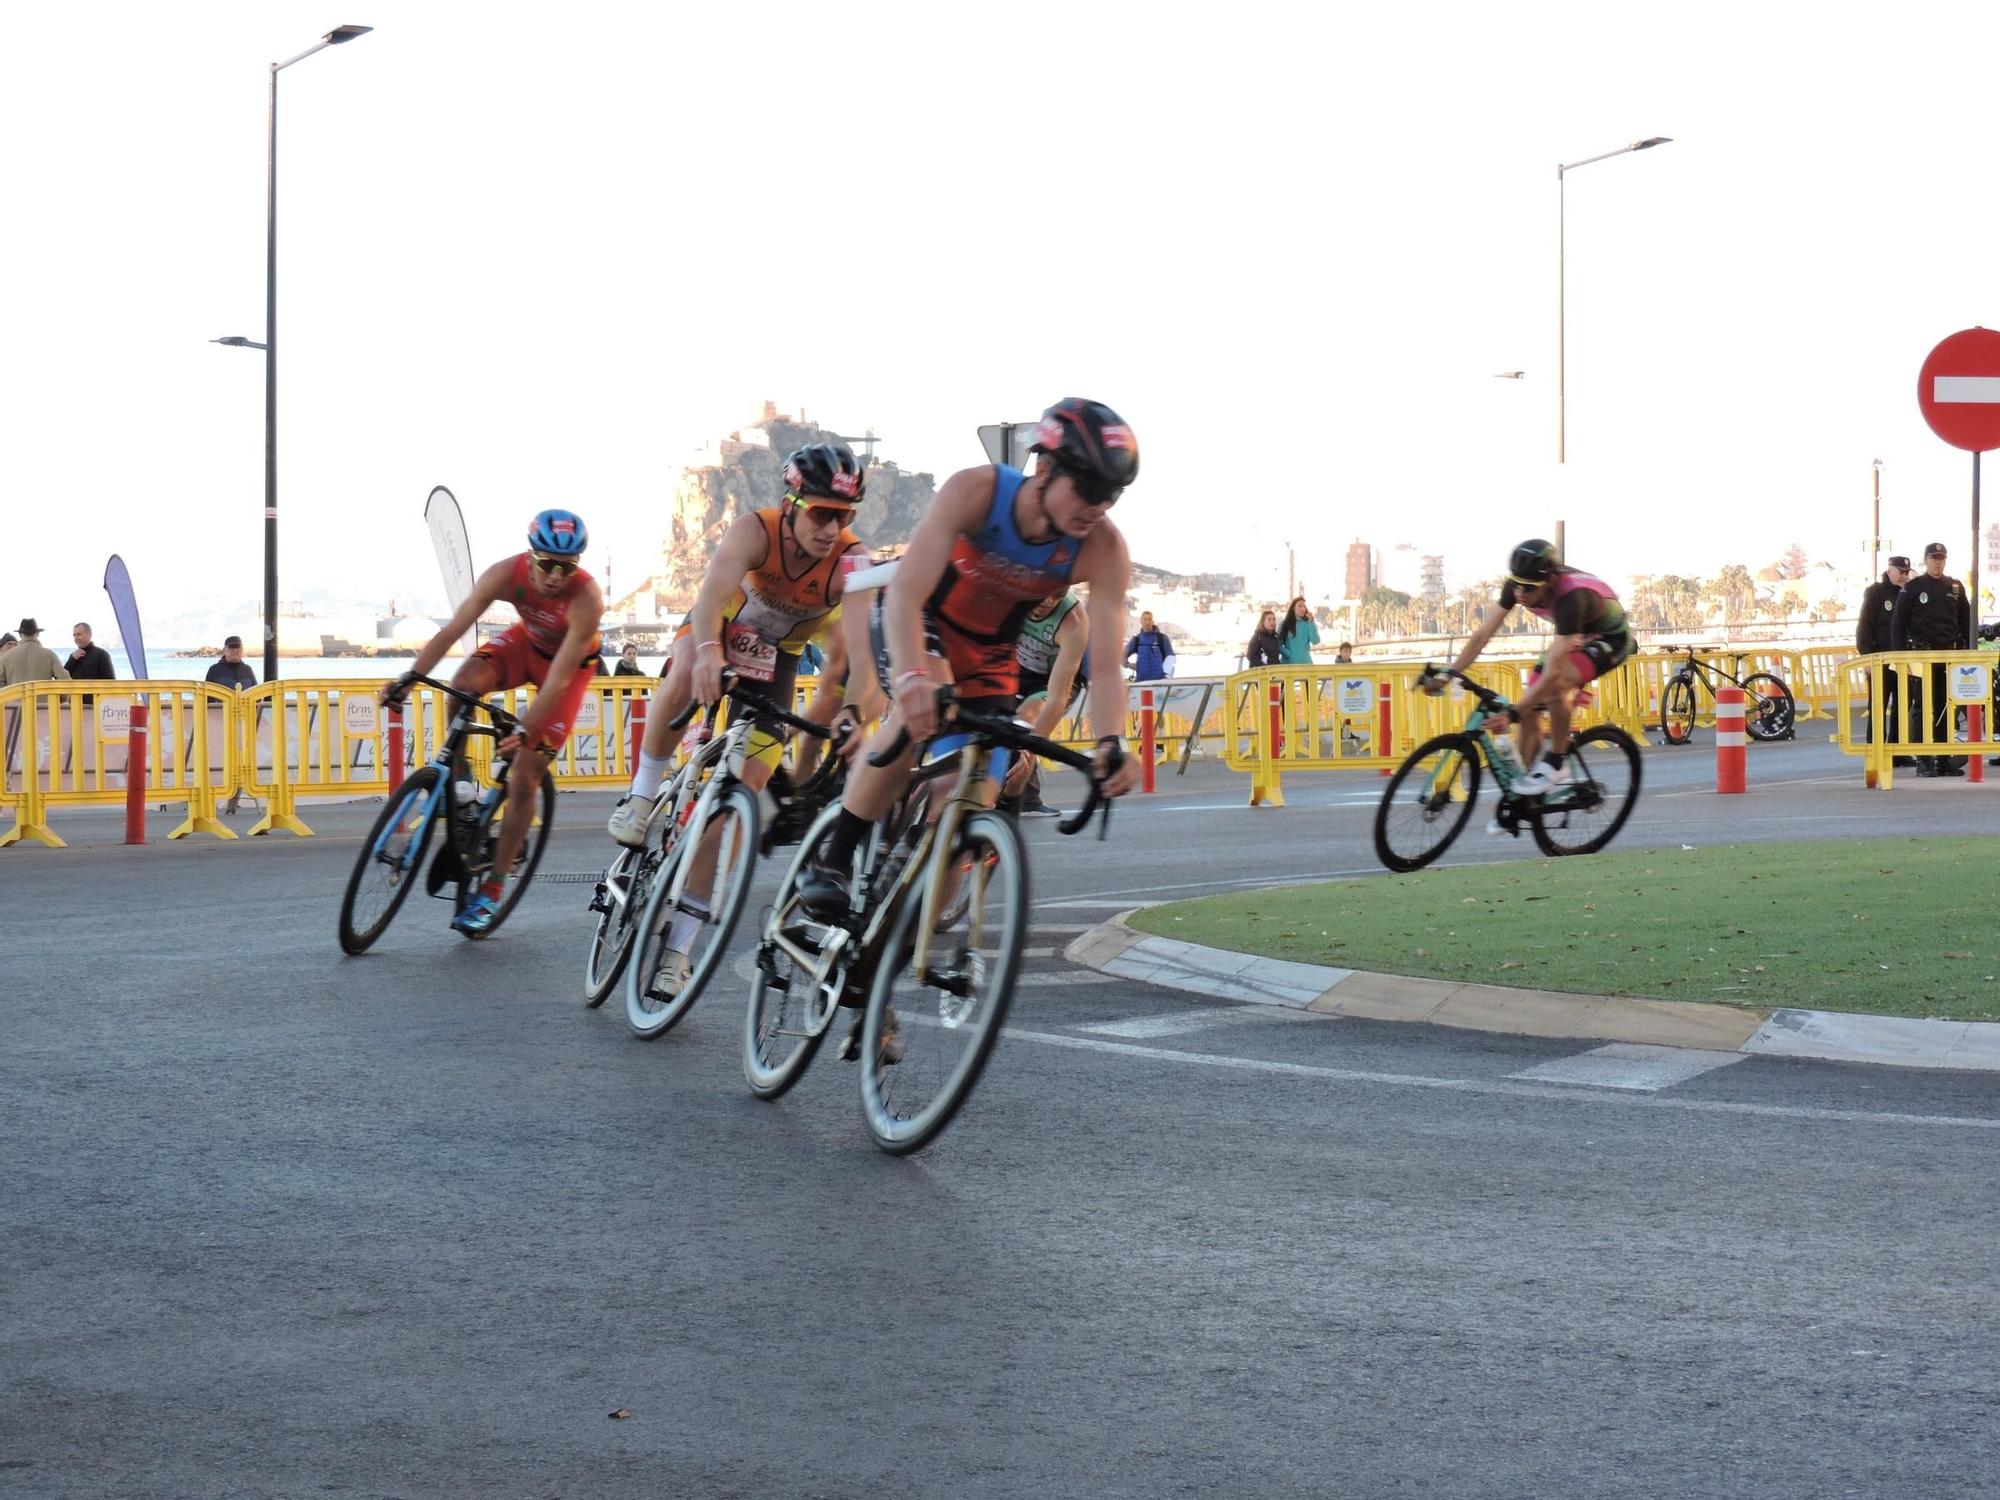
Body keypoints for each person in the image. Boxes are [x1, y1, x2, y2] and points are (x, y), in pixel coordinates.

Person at [798, 397, 1143, 931]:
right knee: (917, 719)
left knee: (977, 789)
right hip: (921, 616)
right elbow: (908, 594)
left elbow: (1103, 668)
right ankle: (836, 858)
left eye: (1113, 494)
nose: (1100, 506)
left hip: (988, 653)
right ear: (1044, 467)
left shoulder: (1102, 548)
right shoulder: (977, 491)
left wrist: (1111, 742)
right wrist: (911, 679)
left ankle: (893, 948)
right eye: (1091, 488)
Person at [383, 509, 605, 933]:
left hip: (567, 670)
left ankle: (493, 891)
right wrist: (409, 678)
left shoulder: (586, 599)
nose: (555, 576)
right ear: (531, 554)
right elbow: (451, 633)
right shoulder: (506, 574)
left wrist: (525, 729)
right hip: (525, 645)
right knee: (463, 683)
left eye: (567, 567)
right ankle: (461, 784)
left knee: (524, 776)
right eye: (547, 565)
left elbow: (558, 683)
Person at [1431, 540, 1633, 795]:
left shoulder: (1571, 598)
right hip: (1576, 635)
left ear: (1549, 581)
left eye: (1528, 588)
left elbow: (1554, 675)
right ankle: (1523, 794)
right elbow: (1482, 635)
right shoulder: (1519, 584)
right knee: (1530, 706)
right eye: (1515, 583)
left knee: (1552, 687)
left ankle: (1557, 761)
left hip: (1610, 638)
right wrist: (1447, 673)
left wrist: (1511, 714)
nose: (1520, 593)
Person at [1890, 541, 1971, 777]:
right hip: (1922, 657)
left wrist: (1969, 654)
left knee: (1947, 708)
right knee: (1923, 708)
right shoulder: (1914, 587)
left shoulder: (1954, 586)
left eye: (1941, 558)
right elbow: (1898, 623)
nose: (1937, 562)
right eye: (1934, 558)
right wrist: (1900, 657)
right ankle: (1924, 759)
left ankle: (1944, 759)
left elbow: (1965, 622)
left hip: (1950, 655)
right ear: (1925, 560)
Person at [1009, 589, 1091, 817]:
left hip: (1054, 682)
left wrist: (1030, 745)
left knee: (1024, 722)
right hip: (1019, 672)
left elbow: (1057, 696)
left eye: (1058, 594)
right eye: (1044, 590)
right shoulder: (1014, 593)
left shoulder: (1072, 621)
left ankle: (1026, 800)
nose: (1047, 599)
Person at [1857, 555, 1914, 768]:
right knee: (1878, 705)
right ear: (1890, 570)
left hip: (1903, 660)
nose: (1904, 576)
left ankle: (1898, 750)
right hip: (1879, 658)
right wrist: (1866, 657)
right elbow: (1865, 626)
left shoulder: (1908, 592)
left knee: (1903, 704)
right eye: (1901, 571)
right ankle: (1876, 750)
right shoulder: (1876, 592)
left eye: (1907, 572)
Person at [0, 619, 68, 688]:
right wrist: (61, 698)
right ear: (38, 633)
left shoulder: (6, 656)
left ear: (20, 634)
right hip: (43, 699)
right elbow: (64, 679)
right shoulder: (49, 655)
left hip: (14, 698)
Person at [1122, 610, 1175, 681]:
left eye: (1149, 619)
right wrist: (1128, 664)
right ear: (1141, 622)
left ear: (1153, 621)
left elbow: (1171, 656)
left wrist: (1166, 675)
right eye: (1145, 619)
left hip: (1159, 682)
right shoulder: (1136, 639)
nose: (1147, 622)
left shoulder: (1162, 638)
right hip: (1141, 683)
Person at [1277, 596, 1319, 664]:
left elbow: (1315, 641)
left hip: (1305, 664)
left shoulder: (1308, 623)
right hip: (1289, 665)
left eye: (1304, 606)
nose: (1302, 608)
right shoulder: (1284, 624)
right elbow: (1278, 644)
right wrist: (1288, 654)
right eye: (1299, 606)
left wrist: (1311, 622)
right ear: (1293, 608)